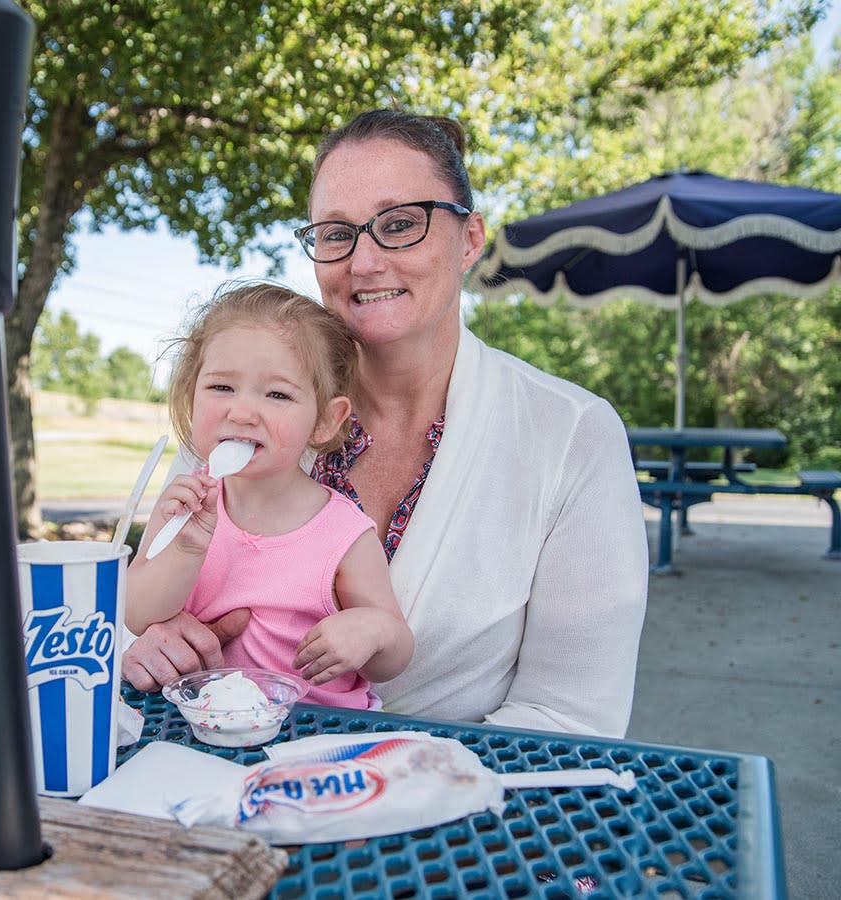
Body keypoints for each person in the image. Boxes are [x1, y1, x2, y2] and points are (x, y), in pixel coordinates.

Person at [124, 109, 648, 737]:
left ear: (470, 239)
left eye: (401, 225)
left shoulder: (571, 435)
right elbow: (129, 604)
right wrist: (153, 642)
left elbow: (570, 716)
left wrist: (394, 783)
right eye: (336, 233)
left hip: (462, 810)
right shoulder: (243, 416)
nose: (365, 262)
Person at [125, 283, 413, 709]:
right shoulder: (183, 505)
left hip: (314, 735)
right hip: (200, 728)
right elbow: (135, 614)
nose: (241, 412)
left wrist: (370, 631)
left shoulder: (343, 531)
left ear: (325, 421)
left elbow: (396, 651)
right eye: (221, 388)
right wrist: (184, 548)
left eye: (277, 394)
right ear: (191, 396)